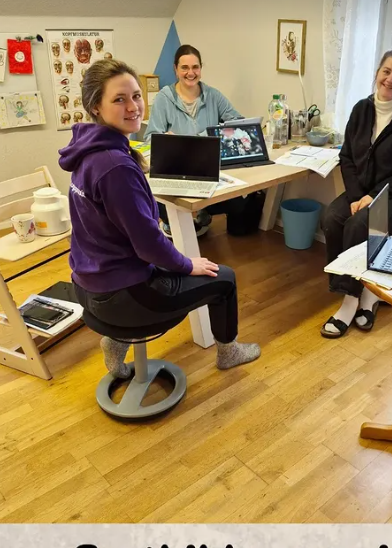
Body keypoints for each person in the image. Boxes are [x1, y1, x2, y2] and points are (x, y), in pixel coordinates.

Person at [58, 59, 260, 378]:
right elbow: (148, 245)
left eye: (136, 96)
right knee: (224, 278)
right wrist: (186, 264)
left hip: (88, 287)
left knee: (177, 261)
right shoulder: (115, 167)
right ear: (95, 106)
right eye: (119, 99)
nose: (133, 107)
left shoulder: (87, 151)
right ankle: (229, 352)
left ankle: (115, 341)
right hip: (123, 296)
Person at [321, 48, 392, 338]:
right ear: (377, 73)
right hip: (364, 191)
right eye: (386, 71)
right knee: (332, 218)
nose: (390, 79)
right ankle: (365, 291)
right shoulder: (361, 109)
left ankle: (352, 301)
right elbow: (346, 157)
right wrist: (357, 196)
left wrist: (374, 195)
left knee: (360, 224)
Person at [145, 45, 263, 238]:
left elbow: (237, 122)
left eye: (195, 67)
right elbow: (150, 137)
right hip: (177, 168)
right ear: (175, 69)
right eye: (184, 68)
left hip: (207, 166)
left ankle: (203, 214)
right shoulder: (164, 98)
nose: (190, 73)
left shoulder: (213, 95)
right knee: (163, 202)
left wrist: (223, 131)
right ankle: (175, 223)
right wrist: (165, 140)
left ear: (201, 68)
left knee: (239, 199)